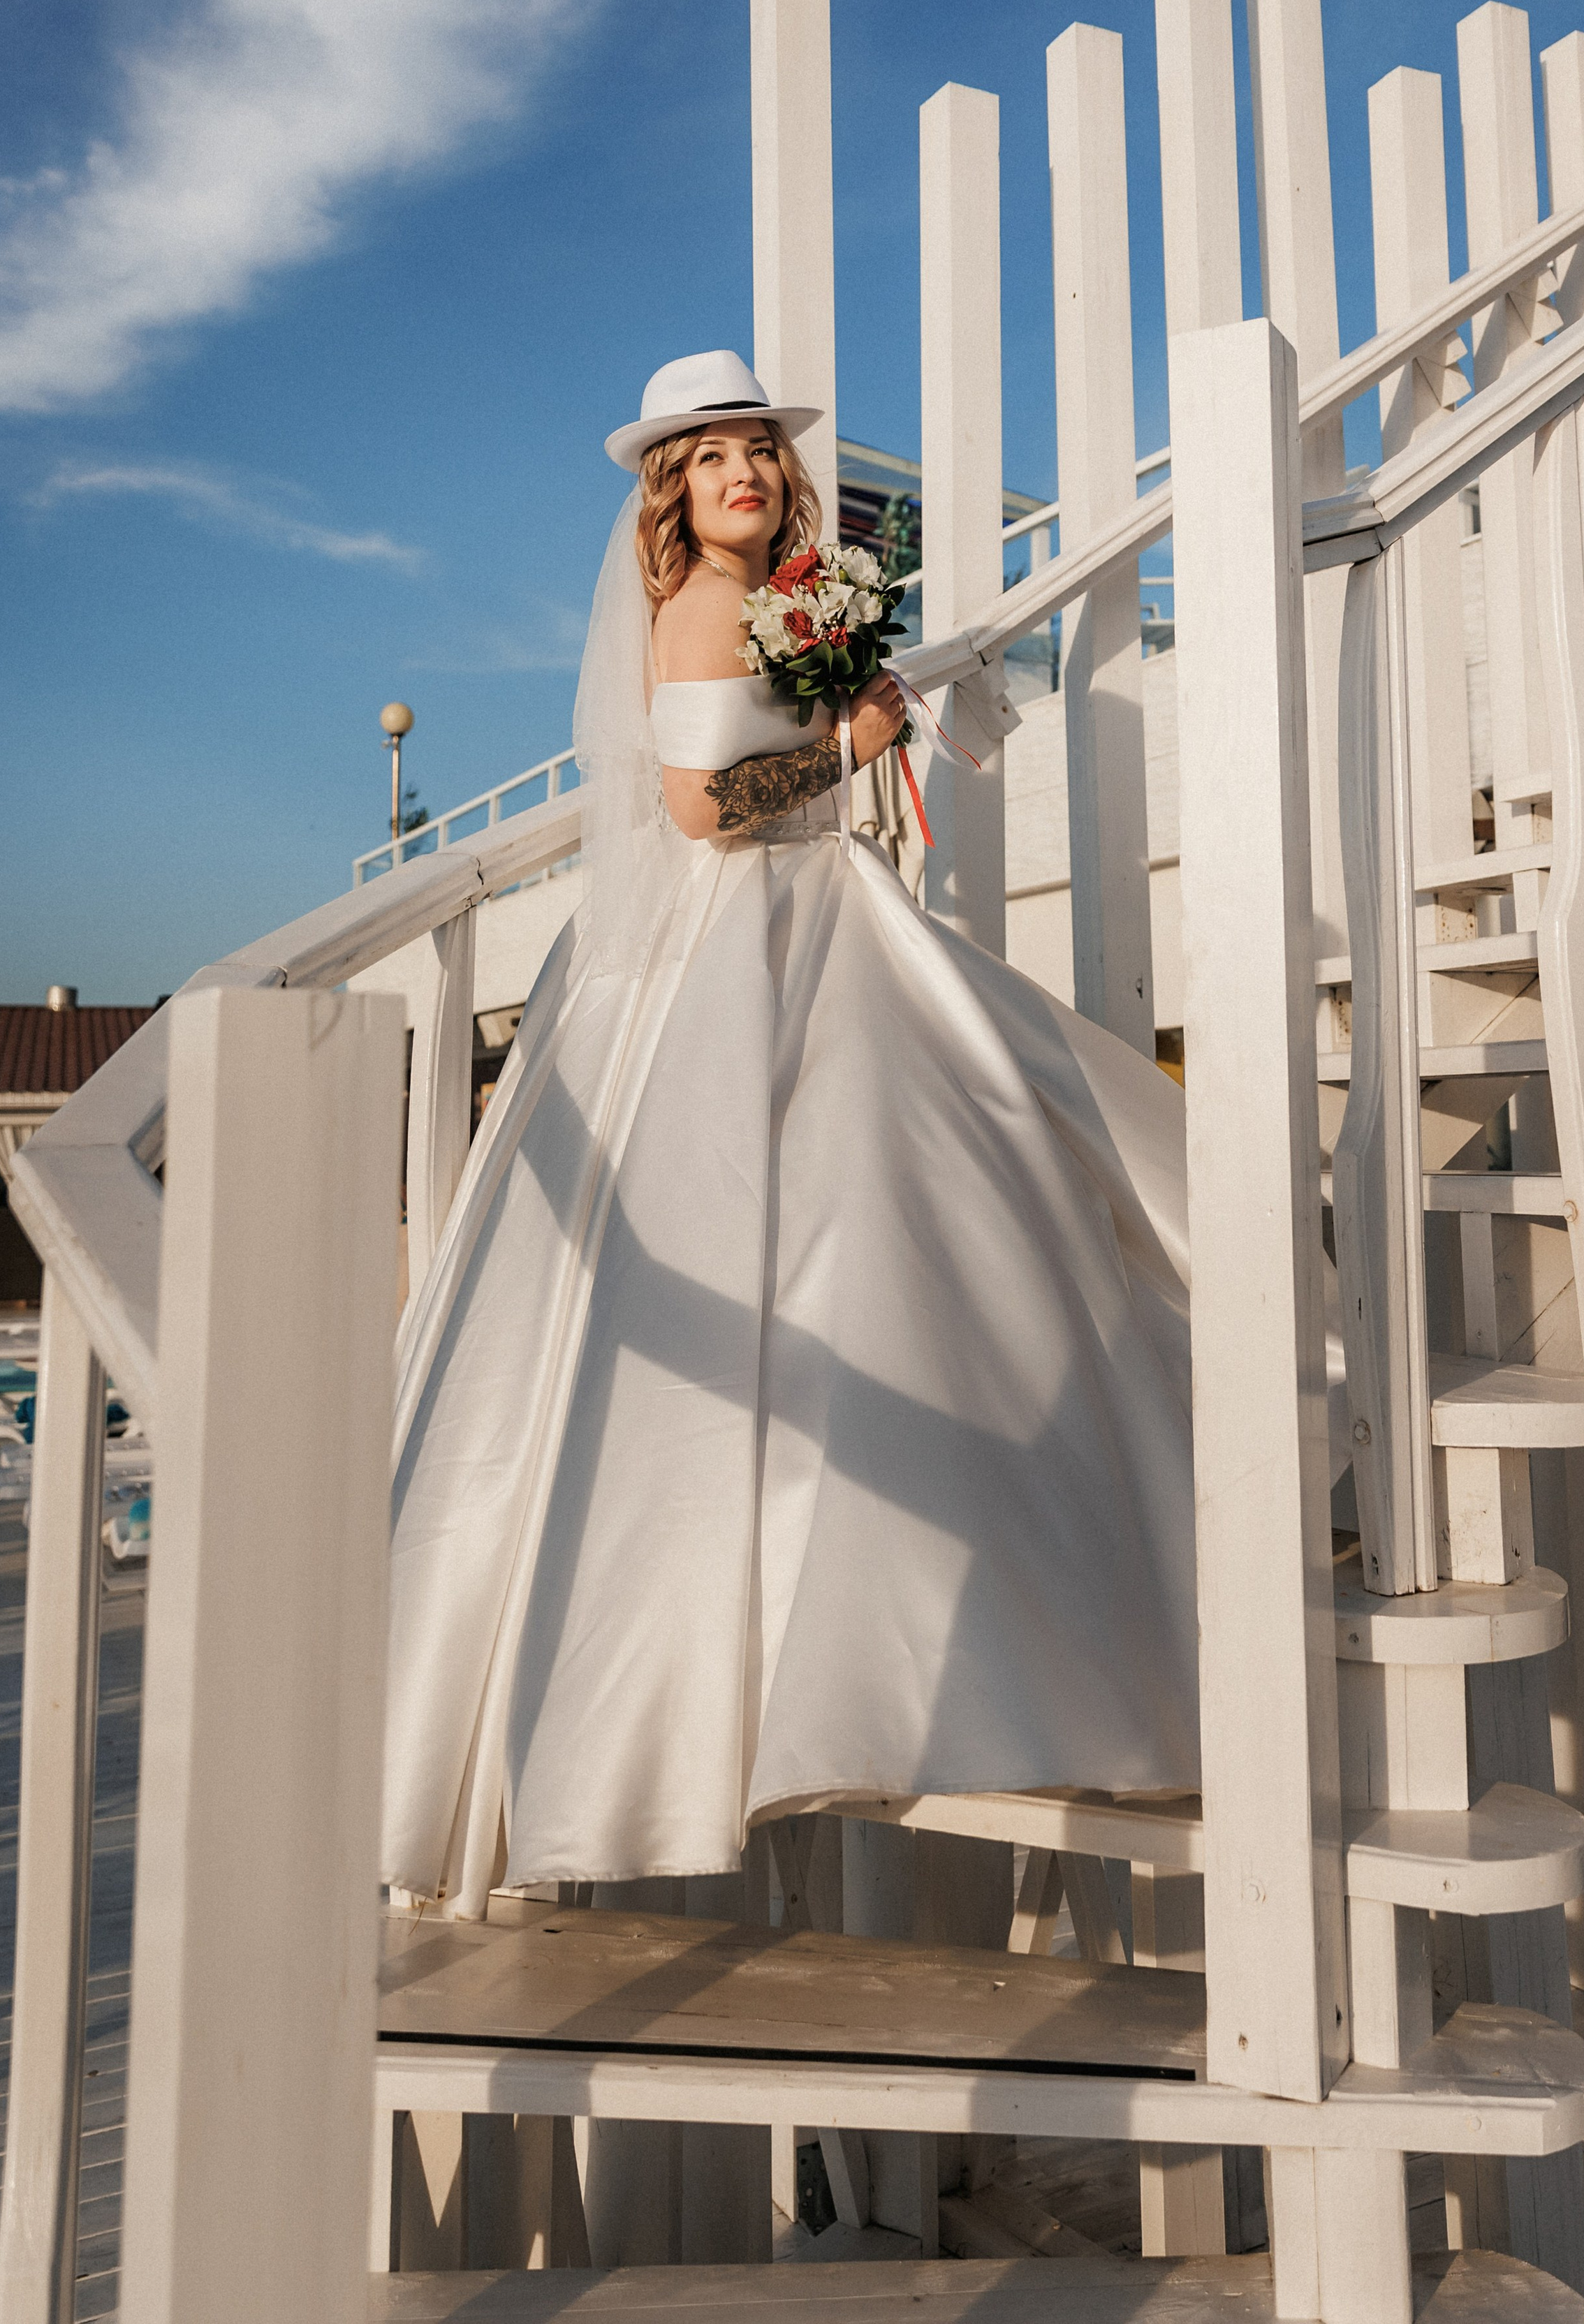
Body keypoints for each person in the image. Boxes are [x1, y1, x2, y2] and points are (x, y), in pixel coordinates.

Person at [382, 349, 1201, 1916]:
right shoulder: (699, 608)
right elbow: (701, 812)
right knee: (861, 1211)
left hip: (814, 912)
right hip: (739, 941)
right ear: (671, 493)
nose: (741, 471)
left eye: (757, 449)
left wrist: (852, 699)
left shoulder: (791, 600)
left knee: (922, 1192)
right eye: (711, 457)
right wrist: (854, 732)